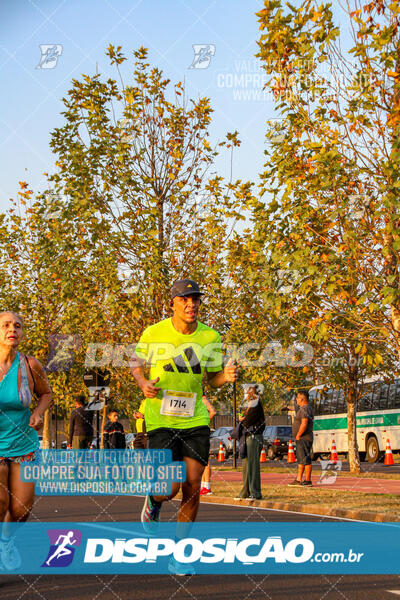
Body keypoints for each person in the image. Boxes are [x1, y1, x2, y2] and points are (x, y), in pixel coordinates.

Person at [131, 279, 237, 575]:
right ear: (173, 303)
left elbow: (212, 378)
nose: (192, 304)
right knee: (169, 488)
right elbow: (135, 362)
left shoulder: (210, 336)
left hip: (195, 419)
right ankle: (153, 501)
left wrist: (225, 377)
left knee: (192, 487)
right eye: (185, 299)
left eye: (196, 299)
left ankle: (179, 555)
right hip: (161, 418)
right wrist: (142, 383)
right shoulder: (154, 333)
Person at [0, 311, 52, 569]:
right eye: (6, 325)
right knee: (0, 503)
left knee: (21, 508)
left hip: (23, 445)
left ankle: (6, 542)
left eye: (17, 325)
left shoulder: (31, 366)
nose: (13, 329)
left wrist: (38, 413)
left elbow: (46, 394)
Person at [235, 383, 265, 500]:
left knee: (253, 465)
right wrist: (242, 418)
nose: (245, 393)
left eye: (246, 391)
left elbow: (248, 421)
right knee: (246, 465)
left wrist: (242, 420)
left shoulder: (255, 403)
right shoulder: (250, 403)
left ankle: (255, 493)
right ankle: (245, 492)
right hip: (248, 436)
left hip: (254, 436)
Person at [289, 389, 314, 486]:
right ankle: (299, 479)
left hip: (304, 438)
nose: (296, 399)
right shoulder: (304, 408)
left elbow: (304, 423)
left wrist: (298, 435)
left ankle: (308, 480)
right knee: (301, 459)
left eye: (298, 397)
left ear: (302, 399)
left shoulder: (305, 409)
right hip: (302, 439)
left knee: (305, 459)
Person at [200, 394, 216, 496]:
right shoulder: (196, 400)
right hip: (198, 431)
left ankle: (207, 486)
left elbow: (213, 412)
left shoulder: (203, 399)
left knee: (205, 460)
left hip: (202, 431)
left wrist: (205, 422)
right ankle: (203, 486)